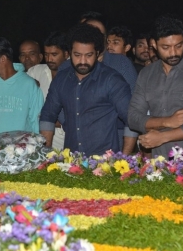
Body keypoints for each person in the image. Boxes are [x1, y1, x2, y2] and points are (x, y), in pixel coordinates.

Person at [128, 14, 183, 160]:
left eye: (179, 45)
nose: (173, 52)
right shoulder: (146, 74)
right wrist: (166, 121)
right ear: (154, 44)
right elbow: (133, 118)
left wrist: (164, 136)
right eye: (166, 47)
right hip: (159, 162)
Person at [40, 23, 132, 156]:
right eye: (77, 55)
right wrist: (45, 155)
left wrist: (125, 158)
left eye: (89, 55)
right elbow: (48, 116)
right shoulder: (61, 79)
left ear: (98, 53)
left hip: (105, 163)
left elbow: (131, 119)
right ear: (69, 53)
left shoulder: (112, 80)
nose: (82, 61)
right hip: (72, 161)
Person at [58, 11, 138, 155]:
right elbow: (58, 104)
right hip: (75, 139)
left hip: (115, 138)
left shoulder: (121, 64)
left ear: (105, 39)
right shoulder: (66, 67)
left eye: (98, 33)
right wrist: (75, 124)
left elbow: (132, 107)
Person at [27, 31, 69, 150]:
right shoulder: (35, 72)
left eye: (54, 54)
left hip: (66, 139)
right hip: (39, 138)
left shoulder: (75, 76)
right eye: (46, 54)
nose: (49, 59)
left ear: (66, 54)